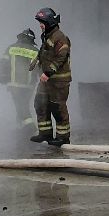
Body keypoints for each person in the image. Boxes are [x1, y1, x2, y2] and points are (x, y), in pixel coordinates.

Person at [29, 7, 72, 146]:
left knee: (58, 108)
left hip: (59, 81)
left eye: (42, 22)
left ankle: (63, 138)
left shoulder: (60, 37)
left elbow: (61, 57)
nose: (40, 25)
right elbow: (44, 53)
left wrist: (48, 73)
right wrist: (36, 61)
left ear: (49, 22)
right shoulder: (48, 36)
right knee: (40, 104)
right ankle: (45, 133)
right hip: (47, 80)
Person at [0, 27, 39, 129]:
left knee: (21, 106)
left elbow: (2, 64)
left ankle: (30, 127)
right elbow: (40, 69)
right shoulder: (36, 51)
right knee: (23, 105)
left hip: (14, 84)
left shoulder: (11, 48)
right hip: (29, 85)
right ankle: (22, 127)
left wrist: (3, 76)